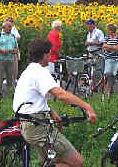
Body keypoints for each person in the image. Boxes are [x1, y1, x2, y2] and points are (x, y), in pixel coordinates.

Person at [12, 38, 97, 167]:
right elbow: (61, 94)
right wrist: (87, 106)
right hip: (38, 127)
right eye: (50, 54)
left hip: (29, 124)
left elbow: (31, 99)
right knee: (78, 162)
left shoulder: (29, 71)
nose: (51, 56)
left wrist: (50, 111)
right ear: (45, 55)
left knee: (53, 162)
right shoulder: (40, 73)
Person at [0, 21, 19, 98]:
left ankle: (9, 93)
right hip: (0, 58)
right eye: (9, 27)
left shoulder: (13, 36)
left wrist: (15, 51)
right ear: (3, 27)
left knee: (10, 76)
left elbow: (16, 47)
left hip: (10, 59)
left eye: (11, 27)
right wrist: (1, 51)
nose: (10, 28)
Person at [102, 24, 118, 95]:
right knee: (108, 73)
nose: (107, 31)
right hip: (108, 58)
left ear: (111, 30)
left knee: (113, 74)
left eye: (108, 30)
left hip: (115, 59)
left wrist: (108, 47)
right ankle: (108, 90)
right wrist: (113, 47)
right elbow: (104, 46)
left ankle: (110, 90)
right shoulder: (107, 37)